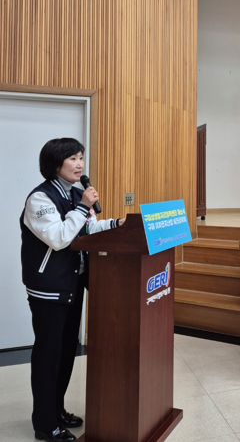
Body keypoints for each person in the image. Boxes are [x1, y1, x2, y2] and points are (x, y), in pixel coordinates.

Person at [20, 138, 125, 442]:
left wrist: (117, 225)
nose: (80, 164)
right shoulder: (40, 199)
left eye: (81, 158)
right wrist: (83, 206)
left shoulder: (77, 194)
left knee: (66, 353)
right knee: (48, 356)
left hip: (72, 284)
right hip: (49, 289)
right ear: (56, 164)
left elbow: (87, 230)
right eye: (72, 159)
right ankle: (45, 424)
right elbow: (60, 237)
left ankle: (57, 409)